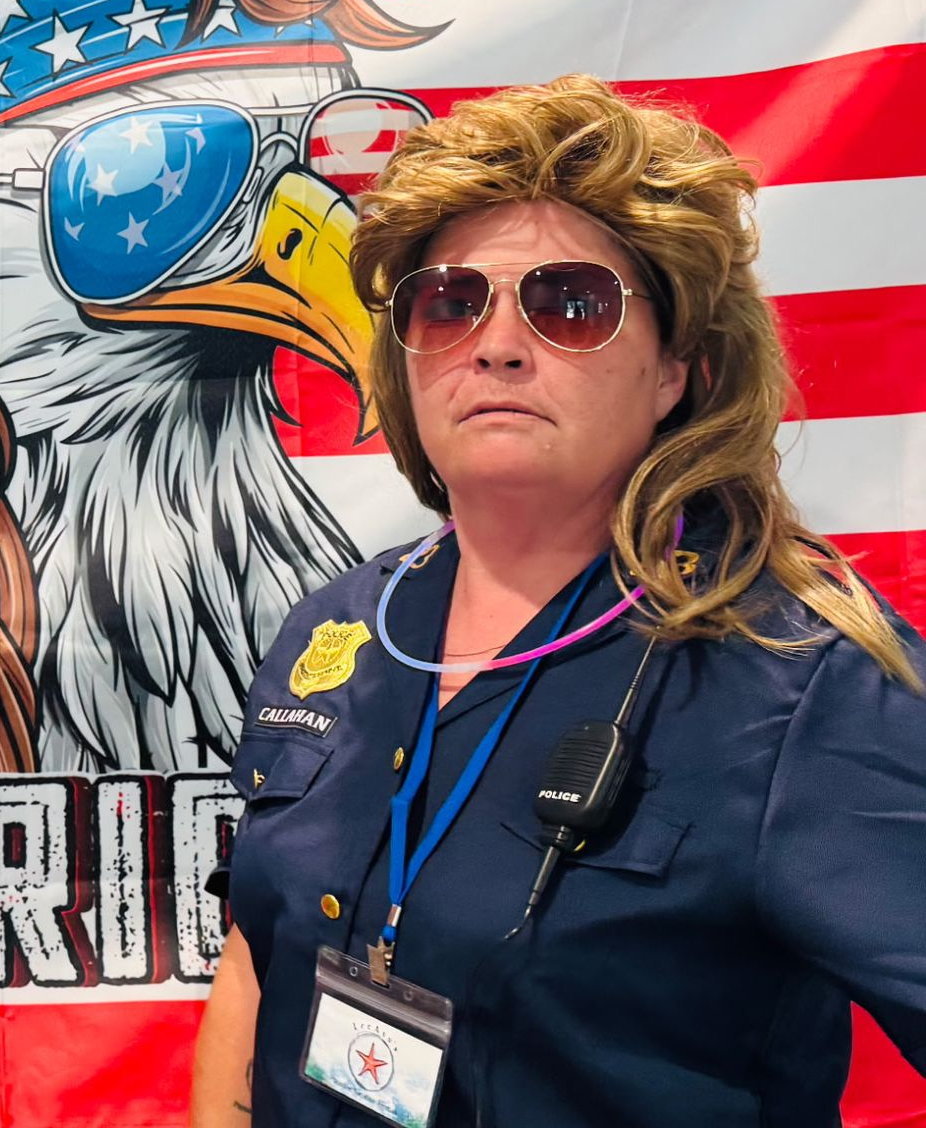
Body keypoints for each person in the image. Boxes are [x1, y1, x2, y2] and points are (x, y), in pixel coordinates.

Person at [191, 76, 926, 1127]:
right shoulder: (343, 629)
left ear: (679, 369)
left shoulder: (802, 679)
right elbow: (257, 966)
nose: (494, 343)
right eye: (449, 302)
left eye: (569, 304)